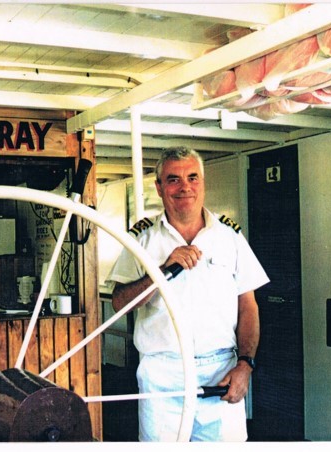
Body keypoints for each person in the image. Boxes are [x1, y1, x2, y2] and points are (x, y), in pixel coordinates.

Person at [106, 147, 269, 442]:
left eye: (192, 177)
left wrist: (245, 365)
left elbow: (249, 306)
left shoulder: (229, 236)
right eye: (173, 179)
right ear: (159, 187)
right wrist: (161, 270)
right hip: (162, 373)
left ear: (203, 183)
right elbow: (119, 303)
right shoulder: (142, 238)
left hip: (221, 369)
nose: (185, 187)